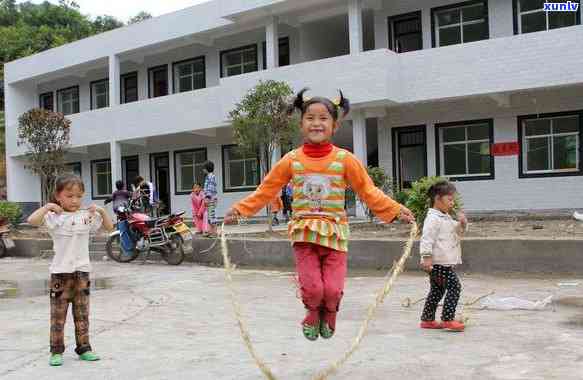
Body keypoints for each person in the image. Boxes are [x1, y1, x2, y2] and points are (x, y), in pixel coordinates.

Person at [225, 88, 414, 341]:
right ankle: (312, 312)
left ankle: (331, 313)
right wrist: (239, 210)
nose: (316, 123)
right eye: (310, 118)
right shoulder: (291, 160)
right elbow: (267, 189)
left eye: (323, 118)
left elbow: (368, 191)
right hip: (304, 234)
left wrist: (395, 209)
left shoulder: (345, 160)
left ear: (335, 125)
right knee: (314, 289)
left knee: (333, 291)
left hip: (335, 234)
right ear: (301, 124)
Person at [26, 174, 114, 366]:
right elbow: (32, 221)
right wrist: (48, 206)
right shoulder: (53, 217)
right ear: (58, 196)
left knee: (82, 314)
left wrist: (101, 210)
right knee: (58, 316)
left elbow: (109, 227)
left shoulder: (87, 217)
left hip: (82, 273)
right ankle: (56, 351)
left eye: (78, 196)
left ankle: (84, 348)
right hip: (60, 273)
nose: (74, 200)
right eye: (69, 195)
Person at [419, 180, 468, 332]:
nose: (452, 203)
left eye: (453, 199)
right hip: (438, 264)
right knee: (455, 287)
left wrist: (462, 224)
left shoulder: (445, 217)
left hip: (441, 263)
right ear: (438, 199)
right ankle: (448, 319)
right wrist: (426, 257)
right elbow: (426, 238)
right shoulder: (433, 219)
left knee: (437, 290)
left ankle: (427, 320)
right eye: (450, 199)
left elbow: (458, 231)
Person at [202, 161, 218, 237]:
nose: (203, 170)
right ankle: (210, 231)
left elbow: (210, 188)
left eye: (204, 168)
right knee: (209, 216)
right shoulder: (208, 176)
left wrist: (207, 198)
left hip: (211, 199)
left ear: (207, 169)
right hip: (209, 199)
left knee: (212, 215)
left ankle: (214, 232)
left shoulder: (211, 176)